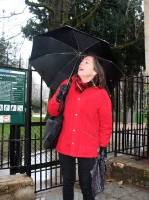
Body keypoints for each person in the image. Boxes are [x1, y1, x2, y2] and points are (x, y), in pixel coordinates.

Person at [47, 55, 112, 200]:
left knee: (86, 184)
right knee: (67, 182)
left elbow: (106, 124)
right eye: (81, 61)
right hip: (66, 142)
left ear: (95, 72)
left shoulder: (101, 94)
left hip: (88, 146)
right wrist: (59, 97)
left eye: (86, 62)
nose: (81, 63)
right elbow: (52, 111)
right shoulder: (67, 84)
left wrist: (101, 146)